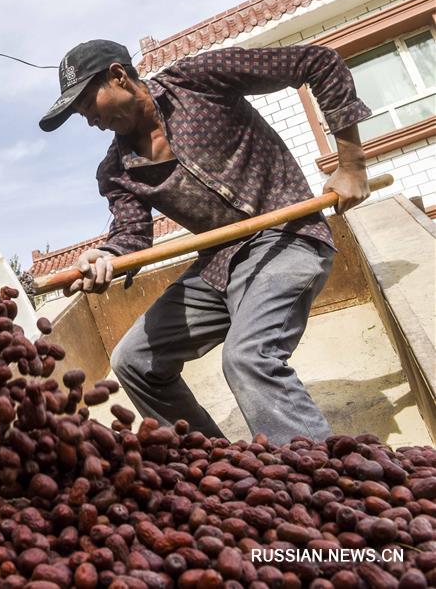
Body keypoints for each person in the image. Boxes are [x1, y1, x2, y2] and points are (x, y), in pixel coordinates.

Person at [39, 40, 371, 445]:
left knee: (247, 357)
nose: (90, 121)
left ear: (118, 76)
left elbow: (318, 62)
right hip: (219, 266)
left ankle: (318, 476)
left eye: (88, 105)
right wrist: (107, 255)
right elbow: (131, 236)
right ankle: (215, 465)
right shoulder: (115, 171)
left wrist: (351, 164)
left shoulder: (197, 80)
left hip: (289, 238)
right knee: (133, 360)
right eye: (81, 115)